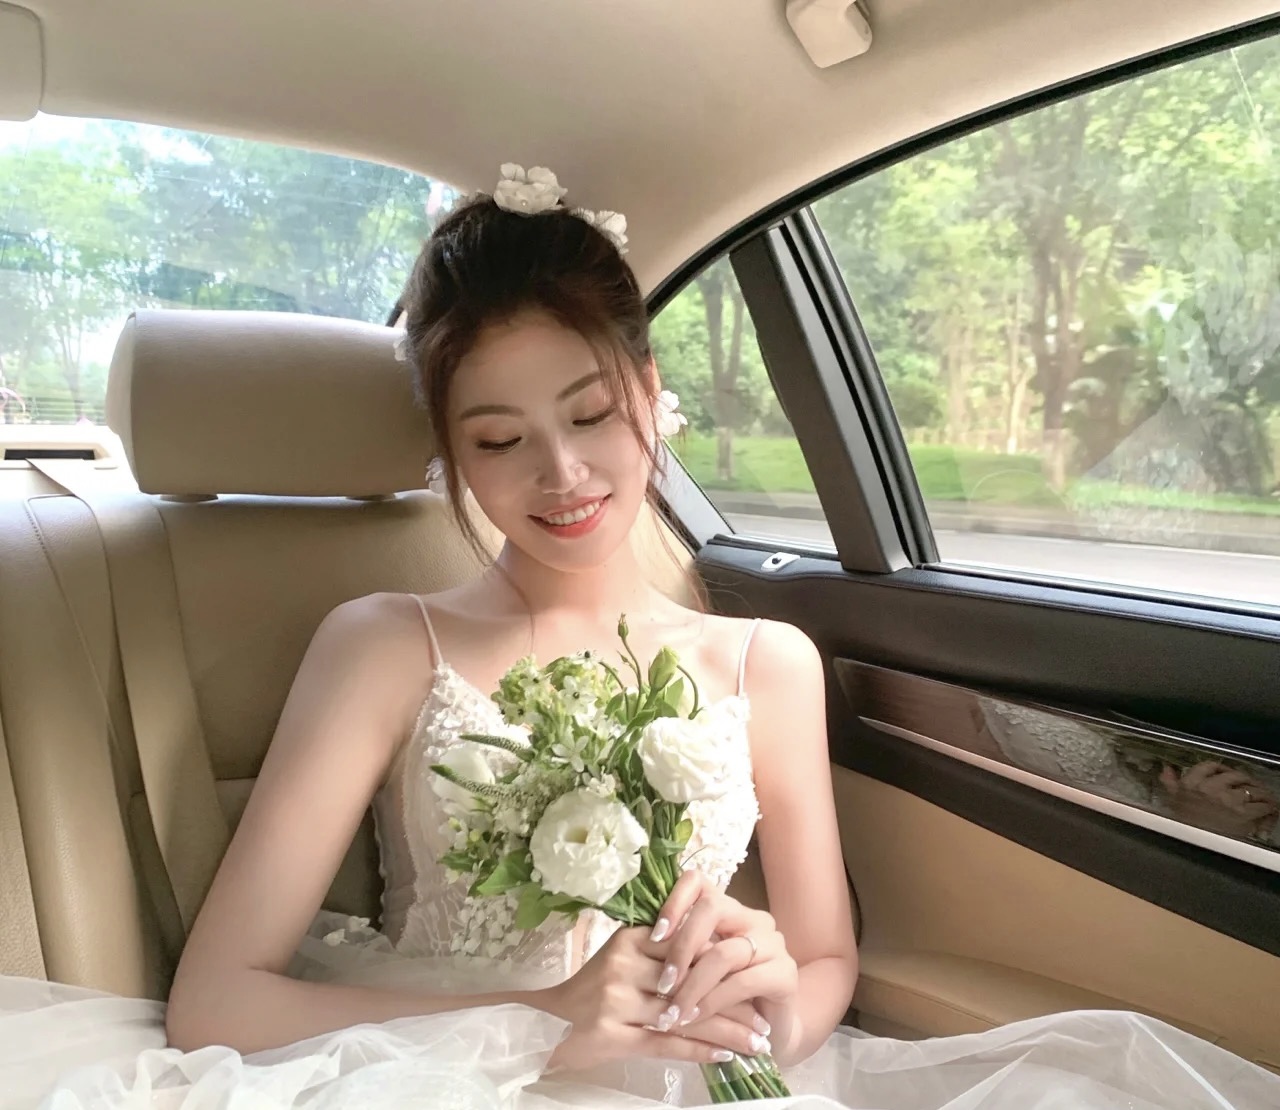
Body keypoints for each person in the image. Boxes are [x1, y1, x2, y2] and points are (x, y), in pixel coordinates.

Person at [4, 166, 1278, 1110]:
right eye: (497, 439)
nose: (560, 474)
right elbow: (218, 1000)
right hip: (444, 1074)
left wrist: (763, 1019)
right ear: (451, 456)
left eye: (590, 415)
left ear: (651, 401)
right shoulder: (386, 646)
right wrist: (546, 1021)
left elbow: (823, 958)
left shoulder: (765, 663)